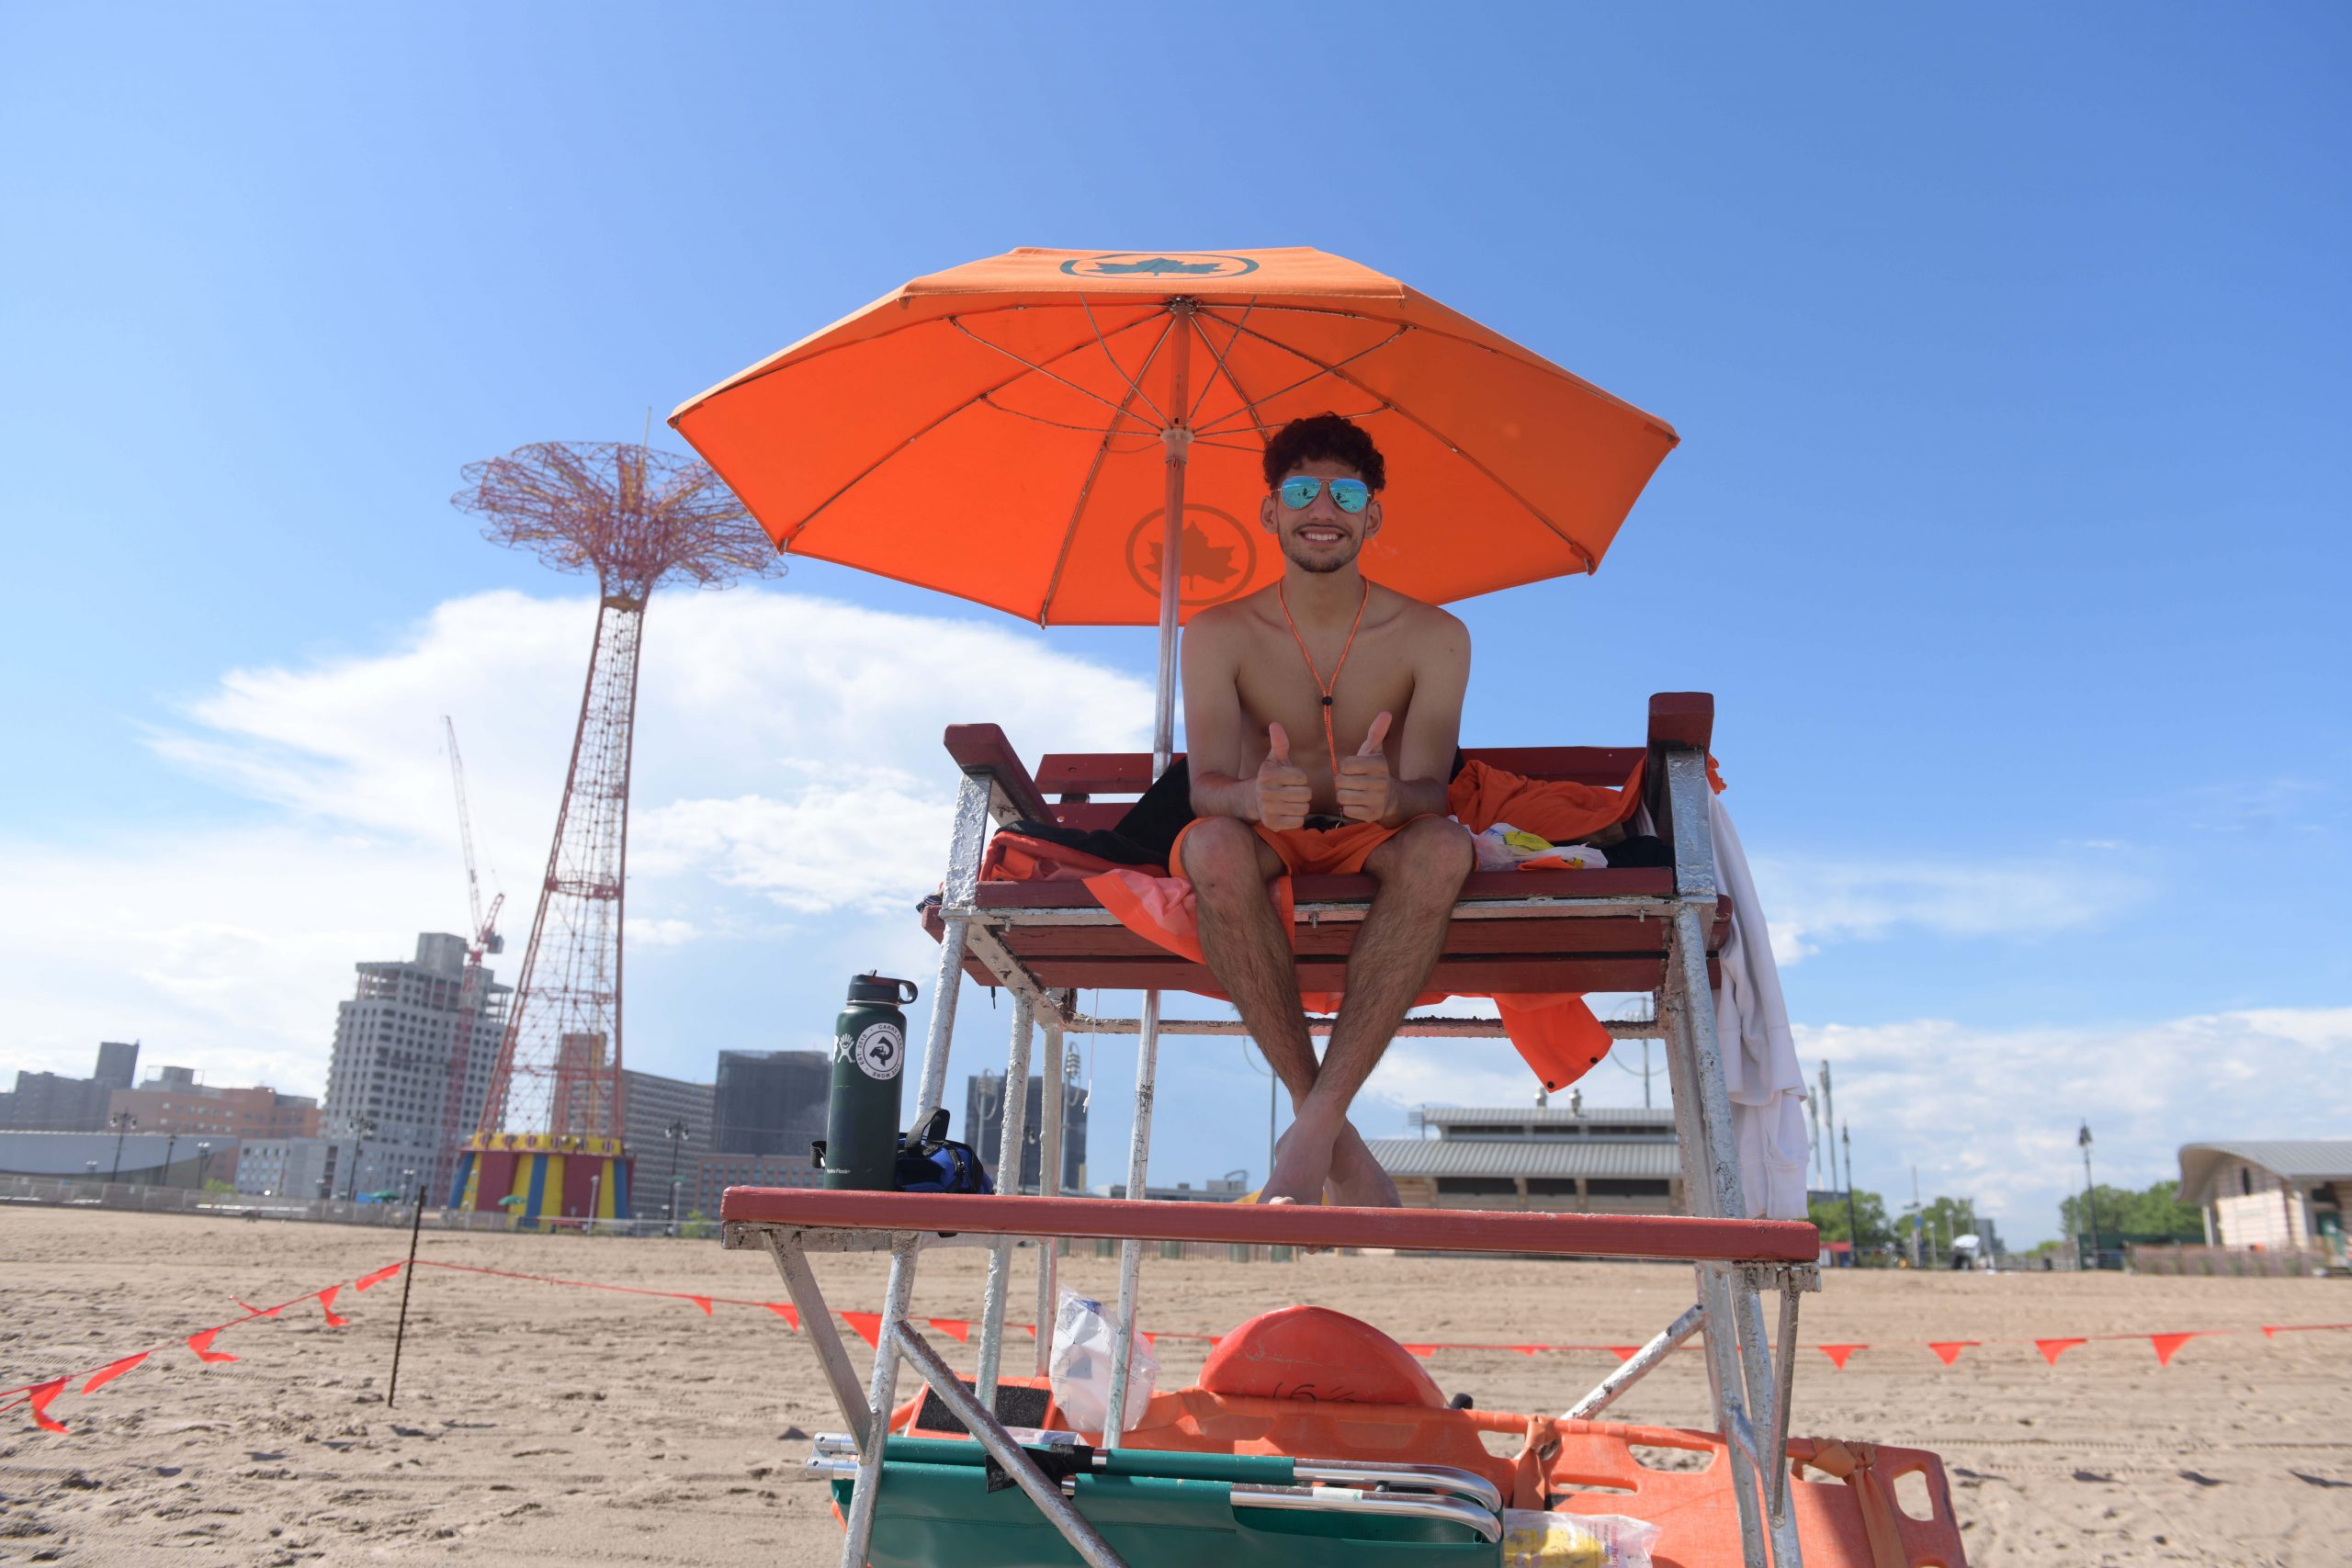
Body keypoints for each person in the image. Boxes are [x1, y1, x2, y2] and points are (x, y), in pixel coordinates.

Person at [1177, 413, 1473, 1206]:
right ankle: (1335, 1139)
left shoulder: (1436, 636)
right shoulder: (1216, 632)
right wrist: (1247, 795)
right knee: (1210, 847)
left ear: (1372, 514)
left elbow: (1431, 795)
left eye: (1346, 492)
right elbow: (1204, 786)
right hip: (1265, 834)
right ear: (1271, 510)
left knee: (1445, 848)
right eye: (1301, 489)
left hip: (1374, 839)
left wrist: (1395, 796)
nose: (1323, 508)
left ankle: (1310, 1132)